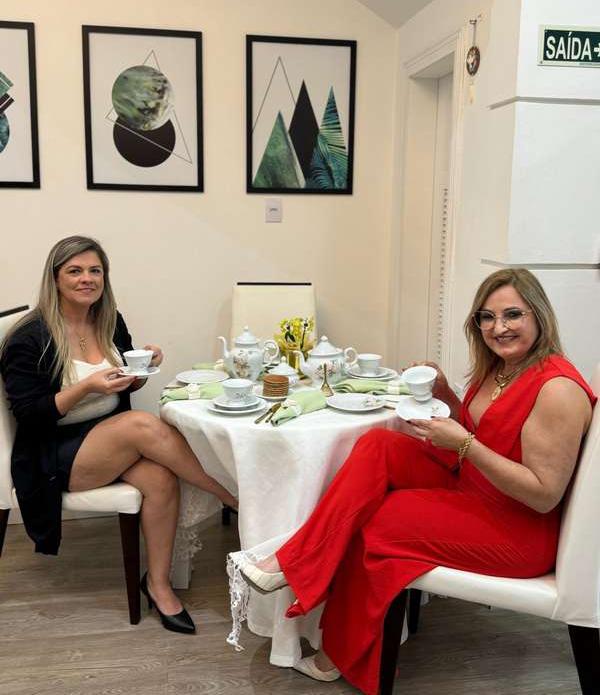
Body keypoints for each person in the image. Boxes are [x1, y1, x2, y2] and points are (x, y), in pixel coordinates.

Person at [240, 268, 595, 694]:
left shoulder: (557, 390)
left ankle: (333, 648)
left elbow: (543, 495)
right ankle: (297, 560)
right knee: (378, 445)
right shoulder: (502, 368)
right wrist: (445, 395)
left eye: (513, 314)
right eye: (487, 317)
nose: (498, 327)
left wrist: (465, 445)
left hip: (517, 530)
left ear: (539, 315)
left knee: (379, 520)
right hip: (475, 487)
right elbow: (490, 430)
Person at [0, 235, 238, 635]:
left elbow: (124, 383)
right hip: (51, 453)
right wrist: (85, 387)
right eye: (75, 271)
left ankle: (158, 585)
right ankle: (229, 495)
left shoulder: (109, 319)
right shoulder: (29, 337)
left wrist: (142, 369)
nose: (87, 279)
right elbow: (28, 414)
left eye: (95, 270)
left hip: (106, 438)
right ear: (55, 278)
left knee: (161, 479)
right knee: (141, 424)